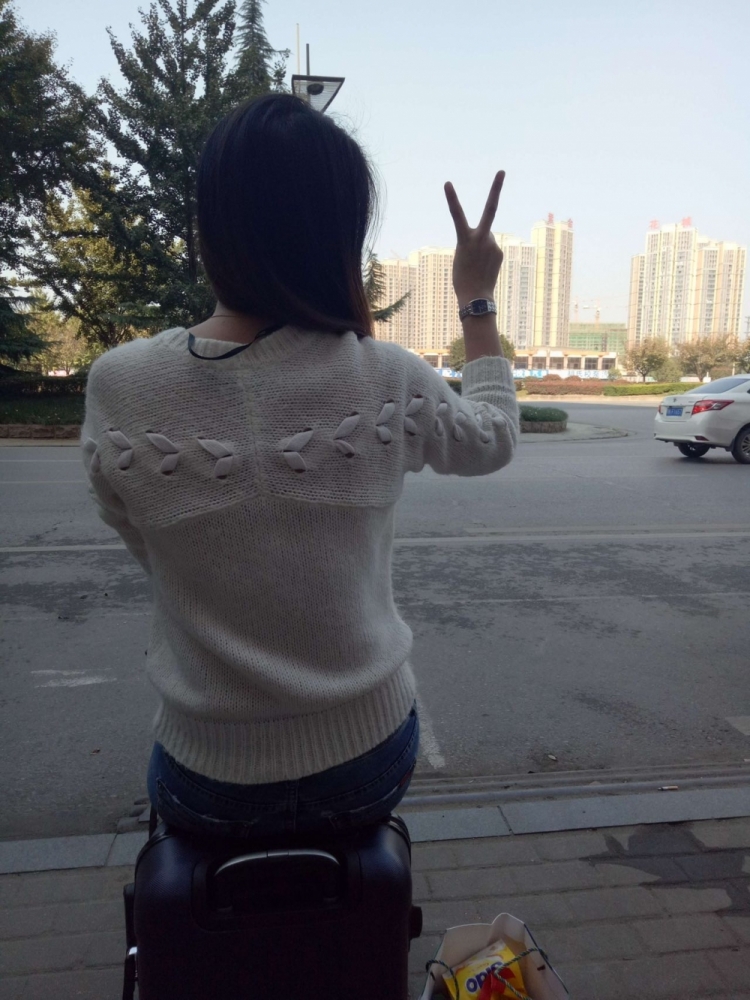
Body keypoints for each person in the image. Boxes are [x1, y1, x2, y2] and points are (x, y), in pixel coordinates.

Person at [81, 93, 519, 839]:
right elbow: (494, 437)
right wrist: (476, 299)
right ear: (339, 237)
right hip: (365, 756)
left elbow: (140, 537)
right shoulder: (384, 377)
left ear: (213, 226)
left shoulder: (120, 384)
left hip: (207, 774)